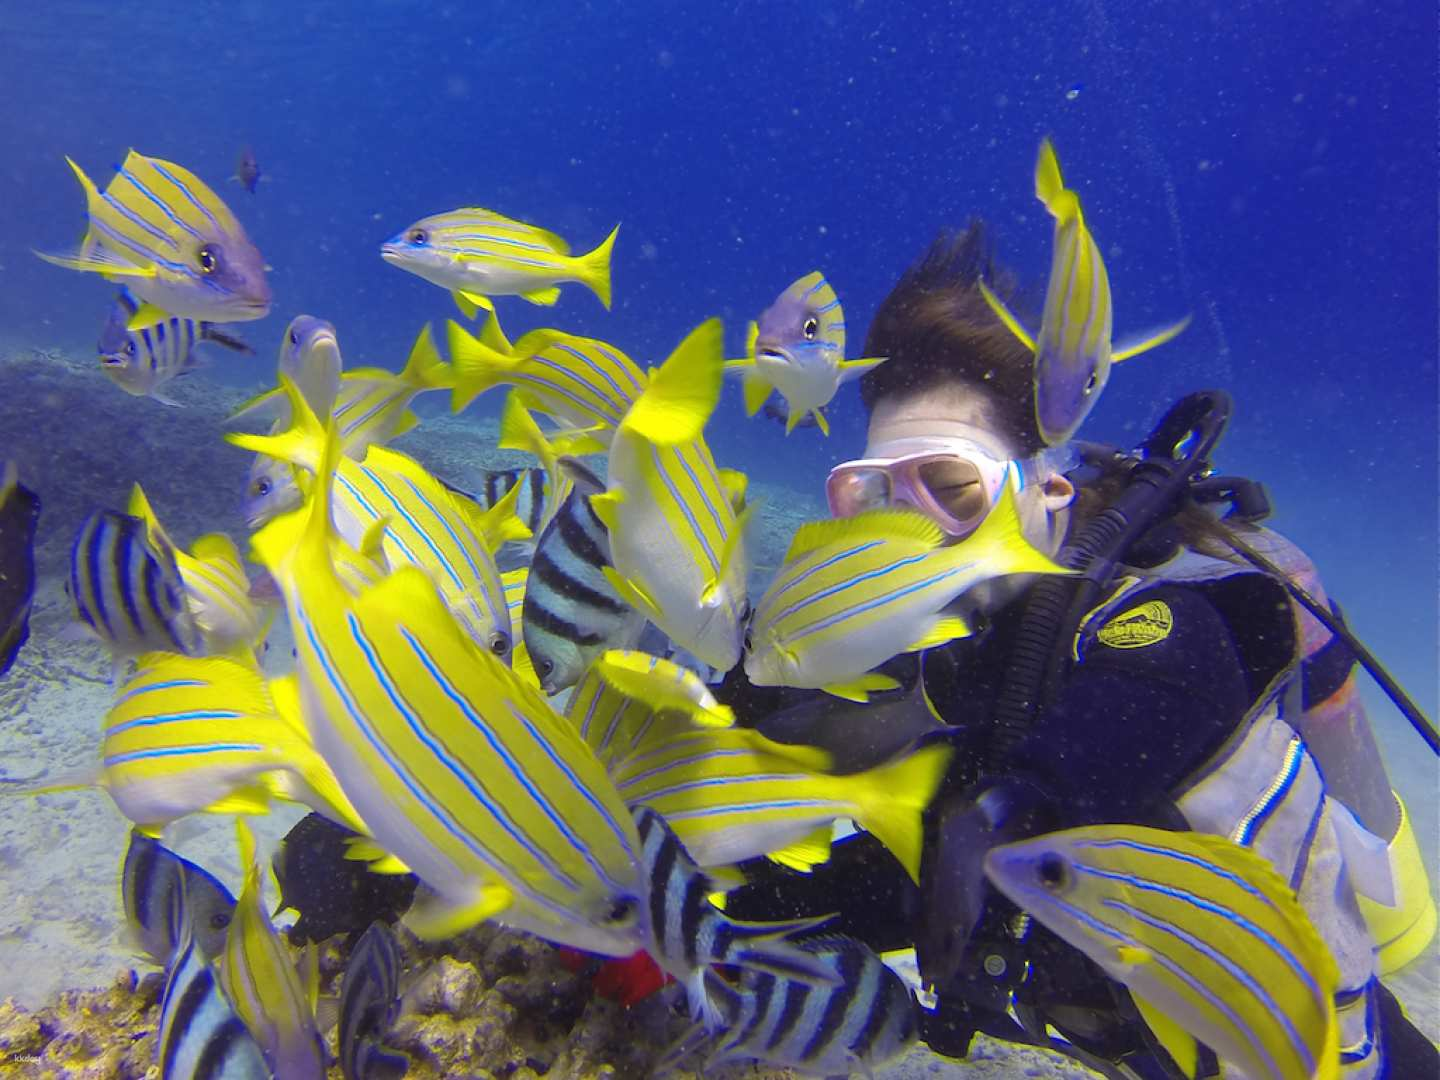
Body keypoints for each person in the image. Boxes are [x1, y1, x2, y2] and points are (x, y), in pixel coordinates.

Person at [717, 224, 1438, 1079]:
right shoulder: (920, 646)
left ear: (1049, 491)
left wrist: (1005, 812)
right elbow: (903, 885)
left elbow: (1169, 683)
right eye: (871, 494)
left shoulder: (1145, 615)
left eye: (950, 490)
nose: (907, 532)